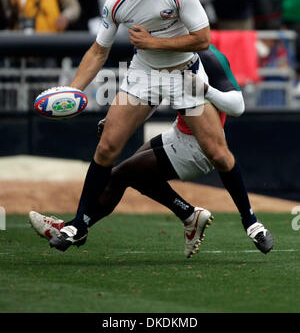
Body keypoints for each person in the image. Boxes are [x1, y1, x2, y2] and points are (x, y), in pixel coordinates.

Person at [33, 0, 270, 257]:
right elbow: (98, 51)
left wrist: (154, 42)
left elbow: (202, 39)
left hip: (184, 71)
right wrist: (73, 90)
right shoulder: (117, 2)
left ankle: (251, 221)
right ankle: (77, 225)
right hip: (144, 74)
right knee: (107, 149)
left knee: (218, 153)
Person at [29, 44, 274, 256]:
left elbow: (238, 105)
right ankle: (189, 215)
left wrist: (206, 90)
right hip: (178, 133)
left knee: (121, 175)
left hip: (197, 148)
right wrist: (116, 121)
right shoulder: (157, 53)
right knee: (137, 176)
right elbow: (153, 94)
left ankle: (72, 229)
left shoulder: (209, 57)